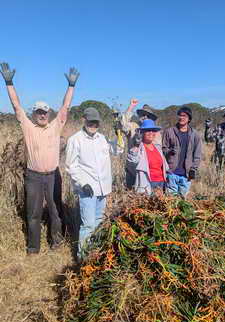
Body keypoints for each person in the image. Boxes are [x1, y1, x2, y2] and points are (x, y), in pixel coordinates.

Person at [0, 62, 79, 254]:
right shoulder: (28, 127)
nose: (42, 115)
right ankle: (33, 248)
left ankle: (56, 244)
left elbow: (66, 106)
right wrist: (9, 82)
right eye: (38, 112)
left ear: (49, 113)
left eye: (45, 112)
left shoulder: (55, 126)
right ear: (34, 114)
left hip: (53, 175)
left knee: (55, 211)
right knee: (33, 213)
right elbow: (16, 106)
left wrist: (71, 86)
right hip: (33, 176)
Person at [65, 107, 123, 261]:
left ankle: (95, 254)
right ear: (84, 120)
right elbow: (71, 166)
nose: (93, 125)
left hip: (103, 189)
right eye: (90, 122)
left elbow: (118, 150)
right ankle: (82, 258)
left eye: (96, 122)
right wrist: (82, 183)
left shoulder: (102, 138)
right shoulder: (75, 140)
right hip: (87, 190)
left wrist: (119, 134)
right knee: (88, 225)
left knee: (99, 223)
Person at [120, 99, 161, 188]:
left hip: (148, 171)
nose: (145, 117)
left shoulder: (156, 132)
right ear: (140, 116)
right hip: (132, 168)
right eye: (143, 114)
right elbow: (123, 125)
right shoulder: (133, 126)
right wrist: (131, 107)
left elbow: (159, 151)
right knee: (131, 194)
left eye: (148, 115)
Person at [162, 106, 202, 197]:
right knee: (171, 200)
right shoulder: (169, 132)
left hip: (186, 175)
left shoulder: (195, 135)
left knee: (183, 200)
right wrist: (169, 152)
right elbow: (163, 149)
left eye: (184, 116)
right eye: (180, 115)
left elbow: (197, 154)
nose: (181, 117)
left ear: (189, 119)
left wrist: (193, 169)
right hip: (171, 172)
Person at [126, 119, 168, 195]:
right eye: (148, 130)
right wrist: (136, 146)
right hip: (147, 184)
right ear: (142, 133)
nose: (151, 133)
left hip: (161, 183)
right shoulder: (139, 148)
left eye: (153, 130)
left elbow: (165, 167)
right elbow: (132, 161)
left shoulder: (158, 148)